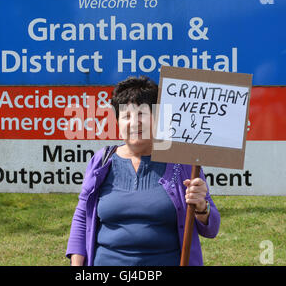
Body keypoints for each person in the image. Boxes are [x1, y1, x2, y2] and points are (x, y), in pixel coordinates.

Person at [66, 76, 220, 266]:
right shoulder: (101, 161)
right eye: (126, 116)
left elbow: (211, 229)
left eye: (141, 114)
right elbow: (82, 217)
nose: (134, 122)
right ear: (117, 122)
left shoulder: (183, 164)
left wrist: (201, 208)